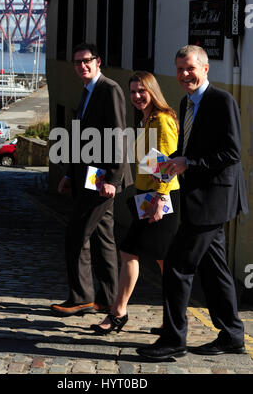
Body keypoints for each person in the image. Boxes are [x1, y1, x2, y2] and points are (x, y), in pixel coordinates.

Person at [137, 45, 248, 361]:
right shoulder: (186, 102)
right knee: (215, 270)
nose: (185, 75)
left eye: (190, 68)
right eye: (180, 69)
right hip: (197, 197)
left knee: (176, 265)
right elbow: (186, 147)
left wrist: (190, 163)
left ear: (205, 68)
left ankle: (173, 339)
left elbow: (231, 153)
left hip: (215, 197)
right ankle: (232, 335)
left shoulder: (221, 100)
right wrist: (167, 163)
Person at [90, 71, 180, 335]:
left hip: (161, 198)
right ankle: (169, 320)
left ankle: (119, 312)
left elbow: (168, 163)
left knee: (136, 253)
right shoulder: (146, 120)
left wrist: (160, 200)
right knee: (159, 261)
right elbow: (148, 162)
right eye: (133, 92)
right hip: (147, 196)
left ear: (153, 91)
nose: (137, 96)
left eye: (142, 91)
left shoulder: (161, 121)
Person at [50, 42, 133, 316]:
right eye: (77, 62)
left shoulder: (109, 89)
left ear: (98, 62)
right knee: (103, 236)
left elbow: (118, 135)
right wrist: (70, 176)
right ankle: (108, 298)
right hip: (88, 176)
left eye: (87, 60)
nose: (82, 66)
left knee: (76, 234)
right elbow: (81, 139)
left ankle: (81, 296)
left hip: (102, 178)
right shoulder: (87, 91)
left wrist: (113, 177)